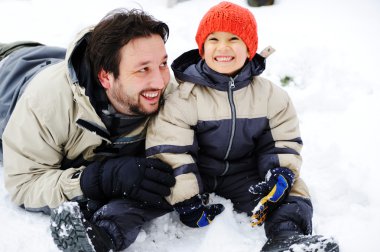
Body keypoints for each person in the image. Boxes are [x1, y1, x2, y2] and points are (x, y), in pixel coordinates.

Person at [146, 2, 339, 251]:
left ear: (250, 47)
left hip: (244, 177)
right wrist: (187, 198)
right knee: (151, 186)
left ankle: (286, 239)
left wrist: (279, 173)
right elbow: (171, 149)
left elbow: (283, 141)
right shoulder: (184, 96)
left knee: (294, 188)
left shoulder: (271, 96)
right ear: (202, 48)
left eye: (234, 38)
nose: (223, 47)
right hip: (199, 175)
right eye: (213, 39)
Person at [0, 8, 177, 252]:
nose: (159, 81)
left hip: (53, 58)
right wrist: (92, 180)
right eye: (143, 69)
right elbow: (24, 186)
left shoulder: (169, 97)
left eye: (163, 64)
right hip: (9, 74)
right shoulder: (45, 104)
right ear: (105, 77)